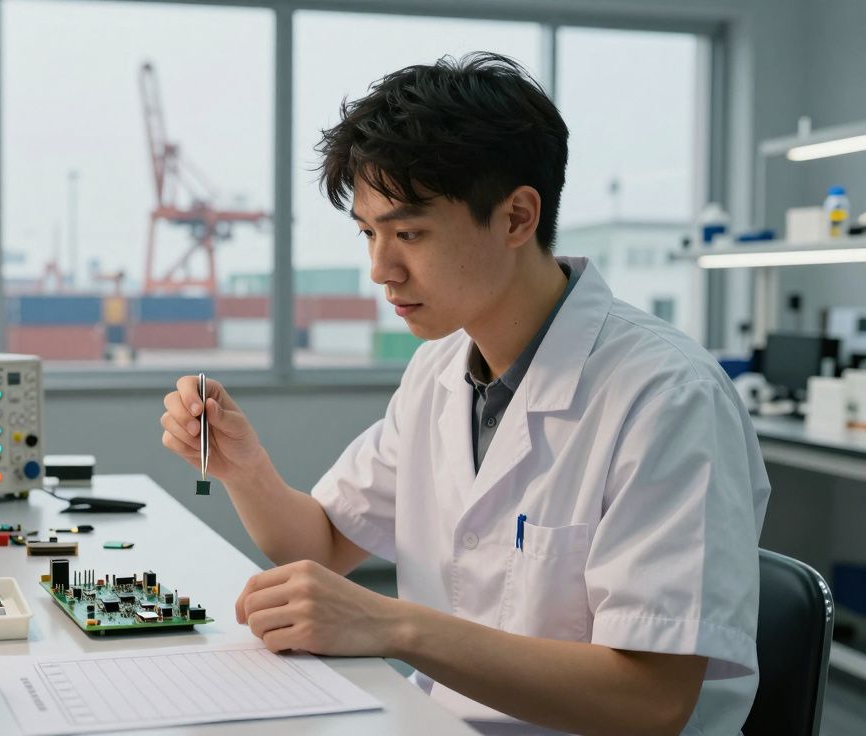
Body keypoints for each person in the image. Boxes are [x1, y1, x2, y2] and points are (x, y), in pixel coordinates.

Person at [160, 53, 768, 735]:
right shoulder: (440, 370)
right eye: (368, 233)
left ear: (516, 218)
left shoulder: (667, 398)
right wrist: (244, 467)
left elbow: (650, 702)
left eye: (409, 233)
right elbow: (324, 542)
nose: (380, 270)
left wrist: (390, 624)